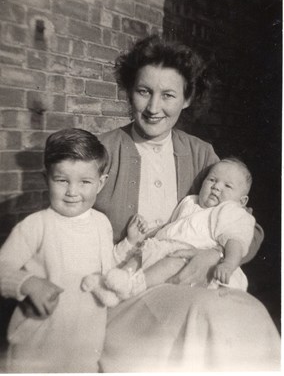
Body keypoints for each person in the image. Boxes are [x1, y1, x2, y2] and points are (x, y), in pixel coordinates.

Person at [94, 34, 280, 372]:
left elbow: (244, 226)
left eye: (168, 95)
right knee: (210, 316)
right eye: (143, 91)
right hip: (125, 290)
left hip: (193, 279)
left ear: (187, 98)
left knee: (252, 317)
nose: (153, 108)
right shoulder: (102, 151)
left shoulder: (201, 153)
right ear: (129, 91)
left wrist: (213, 255)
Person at [0, 128, 112, 372]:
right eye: (62, 180)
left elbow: (108, 274)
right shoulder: (36, 225)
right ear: (46, 179)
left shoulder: (102, 224)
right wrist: (27, 283)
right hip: (36, 348)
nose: (72, 192)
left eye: (85, 182)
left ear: (101, 183)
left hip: (85, 346)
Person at [87, 157, 255, 306]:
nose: (216, 187)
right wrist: (148, 235)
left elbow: (236, 241)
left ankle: (132, 288)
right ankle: (111, 286)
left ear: (242, 200)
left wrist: (228, 264)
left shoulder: (231, 211)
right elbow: (172, 227)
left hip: (190, 258)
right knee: (139, 254)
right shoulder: (190, 201)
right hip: (166, 248)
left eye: (227, 185)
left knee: (172, 263)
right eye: (212, 180)